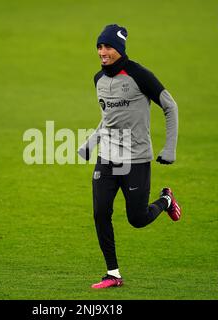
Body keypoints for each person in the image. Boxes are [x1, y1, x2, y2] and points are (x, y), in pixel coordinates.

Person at [77, 24, 182, 289]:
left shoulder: (139, 75)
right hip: (108, 157)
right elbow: (108, 120)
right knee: (101, 212)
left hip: (136, 159)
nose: (102, 52)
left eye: (108, 47)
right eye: (99, 47)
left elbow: (170, 106)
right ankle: (113, 273)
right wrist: (91, 142)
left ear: (120, 50)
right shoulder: (98, 80)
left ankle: (166, 200)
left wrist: (169, 148)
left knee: (137, 219)